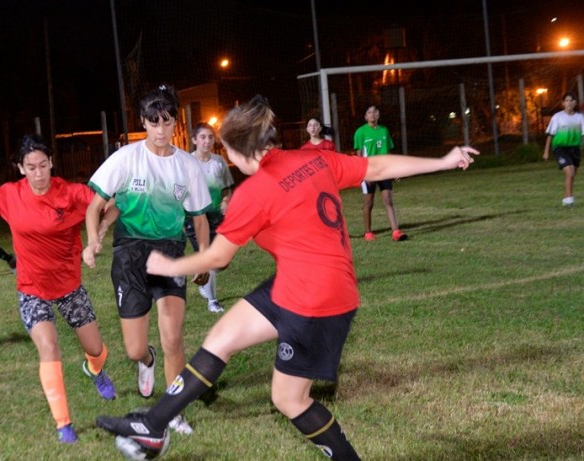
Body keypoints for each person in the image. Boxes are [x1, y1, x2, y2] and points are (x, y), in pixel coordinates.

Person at [95, 95, 478, 460]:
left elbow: (218, 257)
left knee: (289, 399)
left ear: (247, 152)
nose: (228, 159)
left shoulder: (254, 192)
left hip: (315, 302)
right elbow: (376, 168)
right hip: (302, 282)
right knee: (221, 338)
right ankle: (153, 425)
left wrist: (168, 266)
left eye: (229, 152)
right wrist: (443, 161)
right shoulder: (310, 160)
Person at [0, 135, 117, 444]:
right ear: (21, 168)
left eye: (43, 165)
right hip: (32, 288)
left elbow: (111, 205)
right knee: (49, 348)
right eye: (30, 167)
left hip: (70, 286)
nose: (38, 173)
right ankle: (64, 424)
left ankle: (96, 370)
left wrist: (100, 229)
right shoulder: (10, 195)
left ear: (51, 163)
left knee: (96, 349)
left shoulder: (71, 192)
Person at [83, 84, 213, 435]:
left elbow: (199, 219)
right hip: (130, 253)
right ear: (143, 122)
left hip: (170, 252)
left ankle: (174, 413)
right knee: (134, 347)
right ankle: (147, 360)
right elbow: (96, 206)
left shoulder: (188, 166)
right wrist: (93, 240)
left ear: (176, 123)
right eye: (153, 123)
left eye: (167, 122)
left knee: (173, 337)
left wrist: (203, 256)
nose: (160, 131)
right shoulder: (126, 158)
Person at [185, 122, 235, 314]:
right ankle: (212, 301)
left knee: (222, 261)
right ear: (194, 140)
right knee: (210, 259)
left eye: (210, 137)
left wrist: (225, 202)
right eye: (203, 137)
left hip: (216, 219)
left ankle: (203, 278)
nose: (207, 141)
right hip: (195, 219)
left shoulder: (219, 162)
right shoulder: (186, 163)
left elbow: (226, 189)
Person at [353, 104, 407, 242]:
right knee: (369, 203)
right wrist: (363, 173)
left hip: (384, 170)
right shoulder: (360, 132)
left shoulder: (384, 131)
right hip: (369, 171)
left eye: (375, 111)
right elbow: (359, 156)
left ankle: (396, 231)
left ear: (378, 115)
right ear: (365, 117)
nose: (372, 114)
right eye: (369, 112)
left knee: (388, 199)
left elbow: (388, 152)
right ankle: (368, 232)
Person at [542, 91, 584, 207]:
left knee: (572, 174)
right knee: (569, 172)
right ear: (563, 103)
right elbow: (550, 134)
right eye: (567, 101)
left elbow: (583, 134)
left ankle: (566, 197)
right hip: (560, 148)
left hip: (574, 149)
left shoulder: (580, 118)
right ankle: (570, 200)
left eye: (572, 100)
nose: (569, 103)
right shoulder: (557, 117)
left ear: (575, 103)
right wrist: (546, 151)